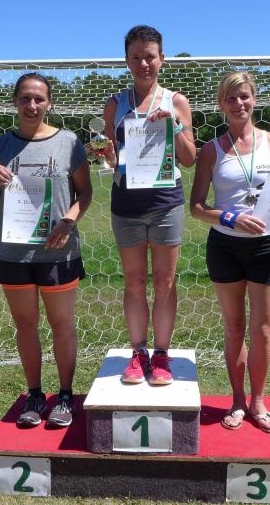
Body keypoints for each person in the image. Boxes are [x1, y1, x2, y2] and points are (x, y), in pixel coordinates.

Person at [190, 72, 270, 432]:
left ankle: (258, 402)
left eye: (244, 96)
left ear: (254, 99)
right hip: (225, 246)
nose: (239, 104)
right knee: (234, 328)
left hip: (267, 246)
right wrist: (230, 217)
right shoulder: (211, 150)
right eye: (231, 98)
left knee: (262, 329)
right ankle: (237, 400)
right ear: (221, 104)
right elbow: (197, 207)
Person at [0, 72, 93, 428]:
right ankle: (34, 395)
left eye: (39, 99)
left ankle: (65, 396)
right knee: (26, 325)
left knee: (62, 325)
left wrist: (68, 221)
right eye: (25, 98)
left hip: (58, 253)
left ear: (49, 103)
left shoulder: (69, 142)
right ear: (15, 102)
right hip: (13, 254)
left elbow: (85, 192)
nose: (32, 105)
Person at [100, 25, 197, 386]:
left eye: (150, 56)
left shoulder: (176, 101)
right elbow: (110, 158)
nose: (144, 63)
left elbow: (189, 159)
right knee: (134, 281)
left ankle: (162, 354)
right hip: (126, 205)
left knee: (165, 282)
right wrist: (106, 155)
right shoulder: (115, 104)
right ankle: (138, 352)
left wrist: (175, 126)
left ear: (162, 58)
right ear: (126, 60)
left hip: (165, 203)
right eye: (136, 57)